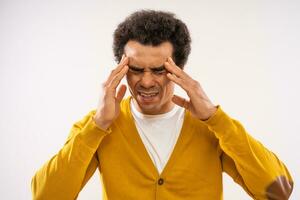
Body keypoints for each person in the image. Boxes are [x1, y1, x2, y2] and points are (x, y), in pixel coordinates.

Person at [31, 10, 293, 200]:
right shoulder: (98, 125)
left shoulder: (212, 127)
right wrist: (97, 125)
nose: (146, 82)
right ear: (121, 69)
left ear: (179, 68)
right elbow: (46, 196)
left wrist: (215, 119)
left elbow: (279, 192)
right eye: (135, 69)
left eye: (158, 70)